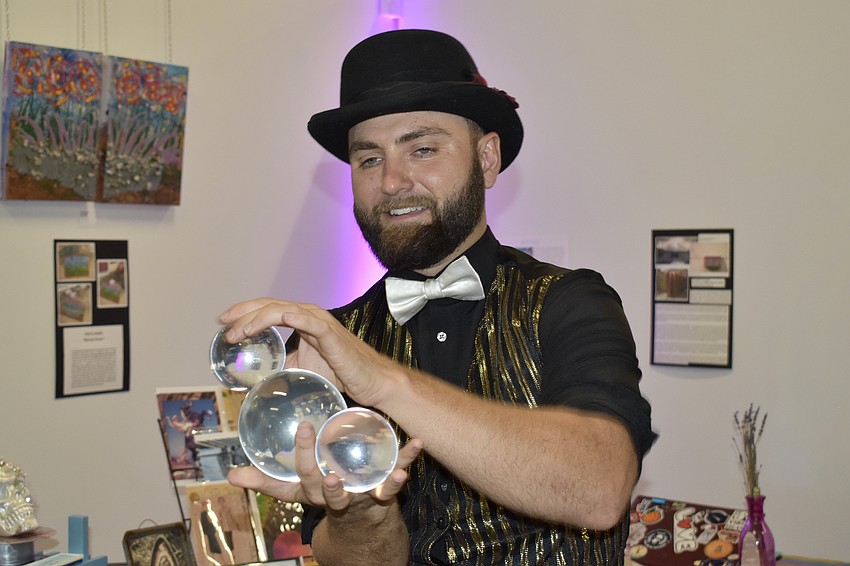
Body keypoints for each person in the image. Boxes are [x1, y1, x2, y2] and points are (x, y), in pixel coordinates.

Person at [223, 29, 657, 565]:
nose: (393, 181)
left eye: (422, 148)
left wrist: (382, 381)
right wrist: (362, 515)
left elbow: (599, 490)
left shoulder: (570, 301)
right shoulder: (329, 345)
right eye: (369, 160)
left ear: (488, 158)